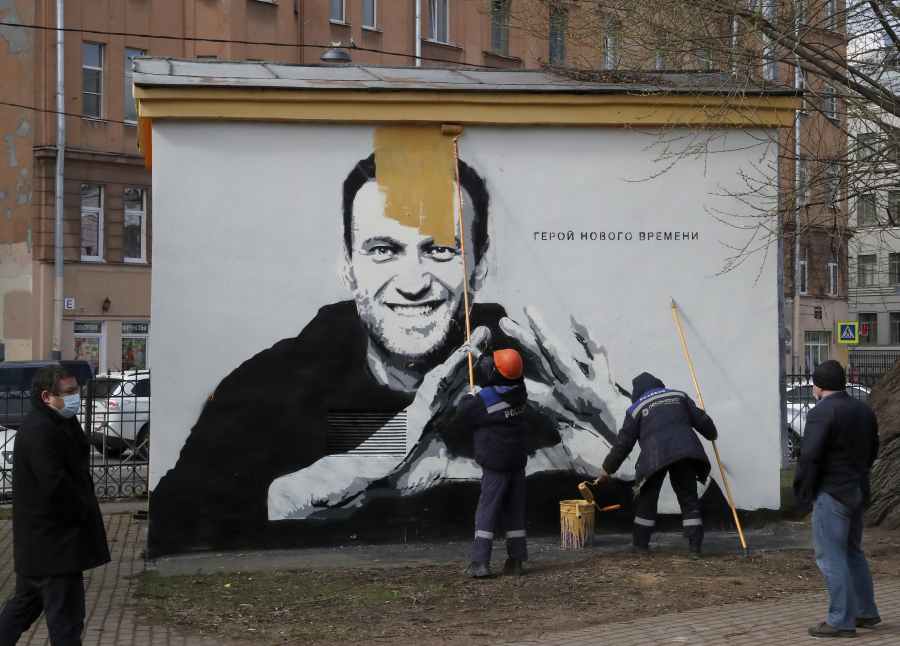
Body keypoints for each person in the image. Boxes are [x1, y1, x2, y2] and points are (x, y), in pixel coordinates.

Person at [149, 128, 629, 557]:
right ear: (348, 266)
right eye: (383, 250)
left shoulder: (548, 382)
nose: (413, 283)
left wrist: (626, 438)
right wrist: (342, 471)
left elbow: (652, 498)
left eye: (441, 250)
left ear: (480, 267)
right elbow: (175, 518)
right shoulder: (269, 387)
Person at [0, 366, 110, 645]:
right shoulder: (41, 429)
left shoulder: (56, 421)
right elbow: (54, 483)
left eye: (77, 390)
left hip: (42, 545)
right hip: (55, 546)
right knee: (66, 622)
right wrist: (81, 511)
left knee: (21, 609)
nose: (76, 397)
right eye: (69, 392)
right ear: (47, 396)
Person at [794, 360, 880, 639]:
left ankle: (840, 620)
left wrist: (803, 488)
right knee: (853, 551)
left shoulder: (822, 411)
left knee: (831, 557)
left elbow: (810, 454)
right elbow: (873, 448)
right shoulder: (864, 409)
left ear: (818, 386)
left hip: (832, 491)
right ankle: (865, 611)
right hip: (858, 488)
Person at [594, 372, 718, 558]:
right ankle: (695, 547)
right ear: (659, 385)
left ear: (637, 392)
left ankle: (640, 544)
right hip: (685, 449)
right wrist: (712, 434)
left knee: (648, 498)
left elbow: (624, 443)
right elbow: (702, 420)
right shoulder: (679, 396)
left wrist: (607, 469)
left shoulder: (636, 408)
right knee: (688, 497)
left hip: (654, 454)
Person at [456, 349, 529, 578]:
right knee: (514, 510)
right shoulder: (520, 389)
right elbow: (500, 374)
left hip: (496, 464)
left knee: (487, 510)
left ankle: (480, 563)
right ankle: (516, 562)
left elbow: (464, 412)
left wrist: (469, 395)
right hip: (516, 461)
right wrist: (481, 357)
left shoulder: (487, 397)